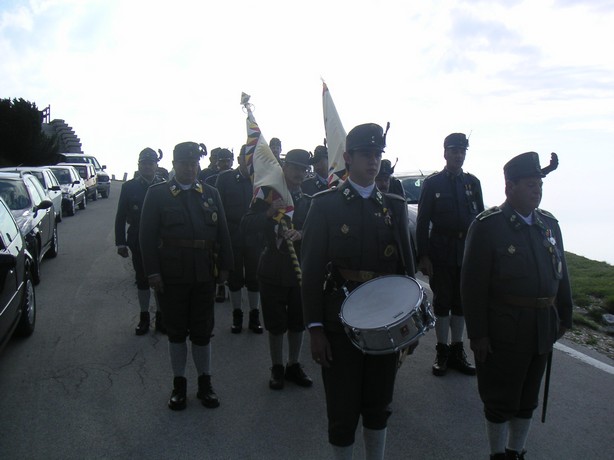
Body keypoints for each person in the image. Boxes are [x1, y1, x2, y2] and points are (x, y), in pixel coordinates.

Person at [301, 123, 416, 460]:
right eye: (366, 154)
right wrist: (315, 328)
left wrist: (411, 324)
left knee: (379, 406)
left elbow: (406, 271)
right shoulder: (325, 206)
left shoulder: (394, 206)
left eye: (378, 154)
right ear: (348, 158)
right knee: (342, 409)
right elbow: (309, 274)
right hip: (340, 325)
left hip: (386, 326)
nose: (373, 161)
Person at [461, 151, 572, 459]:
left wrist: (566, 315)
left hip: (541, 327)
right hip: (504, 328)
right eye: (529, 183)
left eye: (539, 183)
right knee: (499, 399)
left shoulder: (549, 224)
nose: (537, 189)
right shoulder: (488, 226)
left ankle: (516, 451)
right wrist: (478, 334)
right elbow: (472, 286)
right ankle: (497, 453)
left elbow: (560, 274)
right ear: (509, 186)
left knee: (527, 398)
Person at [139, 141, 233, 411]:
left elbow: (223, 233)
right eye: (184, 164)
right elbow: (146, 237)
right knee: (177, 333)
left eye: (194, 164)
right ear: (174, 165)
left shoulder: (211, 193)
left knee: (203, 332)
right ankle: (179, 385)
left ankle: (206, 384)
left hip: (204, 275)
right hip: (171, 277)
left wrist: (226, 266)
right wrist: (153, 272)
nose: (190, 169)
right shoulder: (158, 194)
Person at [242, 149, 313, 390]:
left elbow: (315, 232)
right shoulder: (265, 197)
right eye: (294, 167)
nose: (299, 173)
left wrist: (301, 233)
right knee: (275, 324)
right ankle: (277, 366)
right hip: (272, 267)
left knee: (297, 321)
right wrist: (268, 213)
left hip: (298, 271)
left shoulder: (307, 201)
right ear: (284, 167)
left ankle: (293, 364)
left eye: (304, 169)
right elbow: (246, 226)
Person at [416, 132, 484, 376]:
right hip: (441, 251)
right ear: (445, 153)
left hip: (465, 252)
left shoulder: (472, 183)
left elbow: (479, 222)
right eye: (454, 151)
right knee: (443, 301)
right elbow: (422, 222)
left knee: (461, 301)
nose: (458, 155)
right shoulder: (433, 184)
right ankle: (442, 350)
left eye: (462, 151)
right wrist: (423, 256)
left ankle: (458, 349)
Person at [114, 147, 165, 335]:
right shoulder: (129, 187)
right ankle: (144, 317)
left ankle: (161, 318)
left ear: (156, 166)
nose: (147, 167)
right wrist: (120, 242)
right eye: (144, 163)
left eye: (151, 163)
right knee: (142, 280)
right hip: (137, 240)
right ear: (138, 165)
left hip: (160, 241)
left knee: (161, 280)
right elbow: (120, 216)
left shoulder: (164, 185)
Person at [215, 145, 263, 333]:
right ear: (240, 160)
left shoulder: (260, 181)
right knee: (234, 279)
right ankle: (237, 315)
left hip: (255, 236)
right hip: (232, 235)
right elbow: (218, 211)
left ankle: (254, 315)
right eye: (247, 157)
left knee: (254, 278)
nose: (250, 161)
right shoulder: (225, 179)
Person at [205, 148, 235, 303]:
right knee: (215, 256)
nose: (225, 163)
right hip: (212, 223)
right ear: (217, 162)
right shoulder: (209, 180)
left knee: (229, 257)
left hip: (230, 224)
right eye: (222, 160)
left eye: (228, 160)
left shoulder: (236, 179)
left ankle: (225, 285)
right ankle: (217, 285)